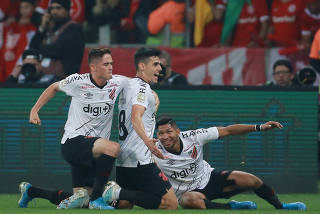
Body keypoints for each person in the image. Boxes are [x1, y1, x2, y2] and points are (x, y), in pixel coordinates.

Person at [18, 48, 128, 210]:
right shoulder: (77, 81)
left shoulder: (117, 82)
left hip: (94, 151)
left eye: (111, 63)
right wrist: (34, 110)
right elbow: (53, 88)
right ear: (93, 67)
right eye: (106, 64)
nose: (111, 67)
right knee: (113, 147)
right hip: (74, 143)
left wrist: (152, 94)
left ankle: (32, 191)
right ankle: (97, 201)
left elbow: (138, 86)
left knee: (82, 200)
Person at [152, 117, 307, 210]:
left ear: (178, 131)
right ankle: (233, 207)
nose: (165, 137)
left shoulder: (193, 137)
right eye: (160, 133)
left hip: (210, 179)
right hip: (189, 193)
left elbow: (228, 130)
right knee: (188, 201)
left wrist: (259, 127)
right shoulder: (153, 150)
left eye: (169, 132)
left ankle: (282, 207)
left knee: (251, 180)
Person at [102, 47, 178, 209]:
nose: (160, 68)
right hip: (140, 159)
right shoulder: (142, 88)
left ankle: (115, 194)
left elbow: (139, 115)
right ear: (142, 66)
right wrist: (148, 142)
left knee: (125, 204)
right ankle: (115, 192)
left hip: (125, 158)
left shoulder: (130, 85)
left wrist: (153, 104)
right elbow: (135, 116)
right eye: (155, 64)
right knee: (170, 203)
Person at [29, 0, 84, 78]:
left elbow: (56, 50)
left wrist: (39, 48)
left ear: (67, 10)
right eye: (52, 8)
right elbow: (32, 48)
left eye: (58, 8)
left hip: (64, 78)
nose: (54, 12)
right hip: (44, 76)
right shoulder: (50, 29)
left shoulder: (74, 28)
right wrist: (42, 28)